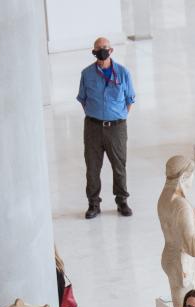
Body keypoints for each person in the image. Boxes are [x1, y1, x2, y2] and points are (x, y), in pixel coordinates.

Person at [77, 36, 136, 219]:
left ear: (111, 50)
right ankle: (93, 204)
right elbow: (83, 99)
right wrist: (96, 115)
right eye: (98, 48)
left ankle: (122, 201)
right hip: (93, 128)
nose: (102, 50)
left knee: (119, 166)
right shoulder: (87, 74)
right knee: (92, 167)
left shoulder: (123, 73)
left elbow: (130, 99)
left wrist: (118, 116)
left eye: (105, 47)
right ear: (94, 52)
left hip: (117, 128)